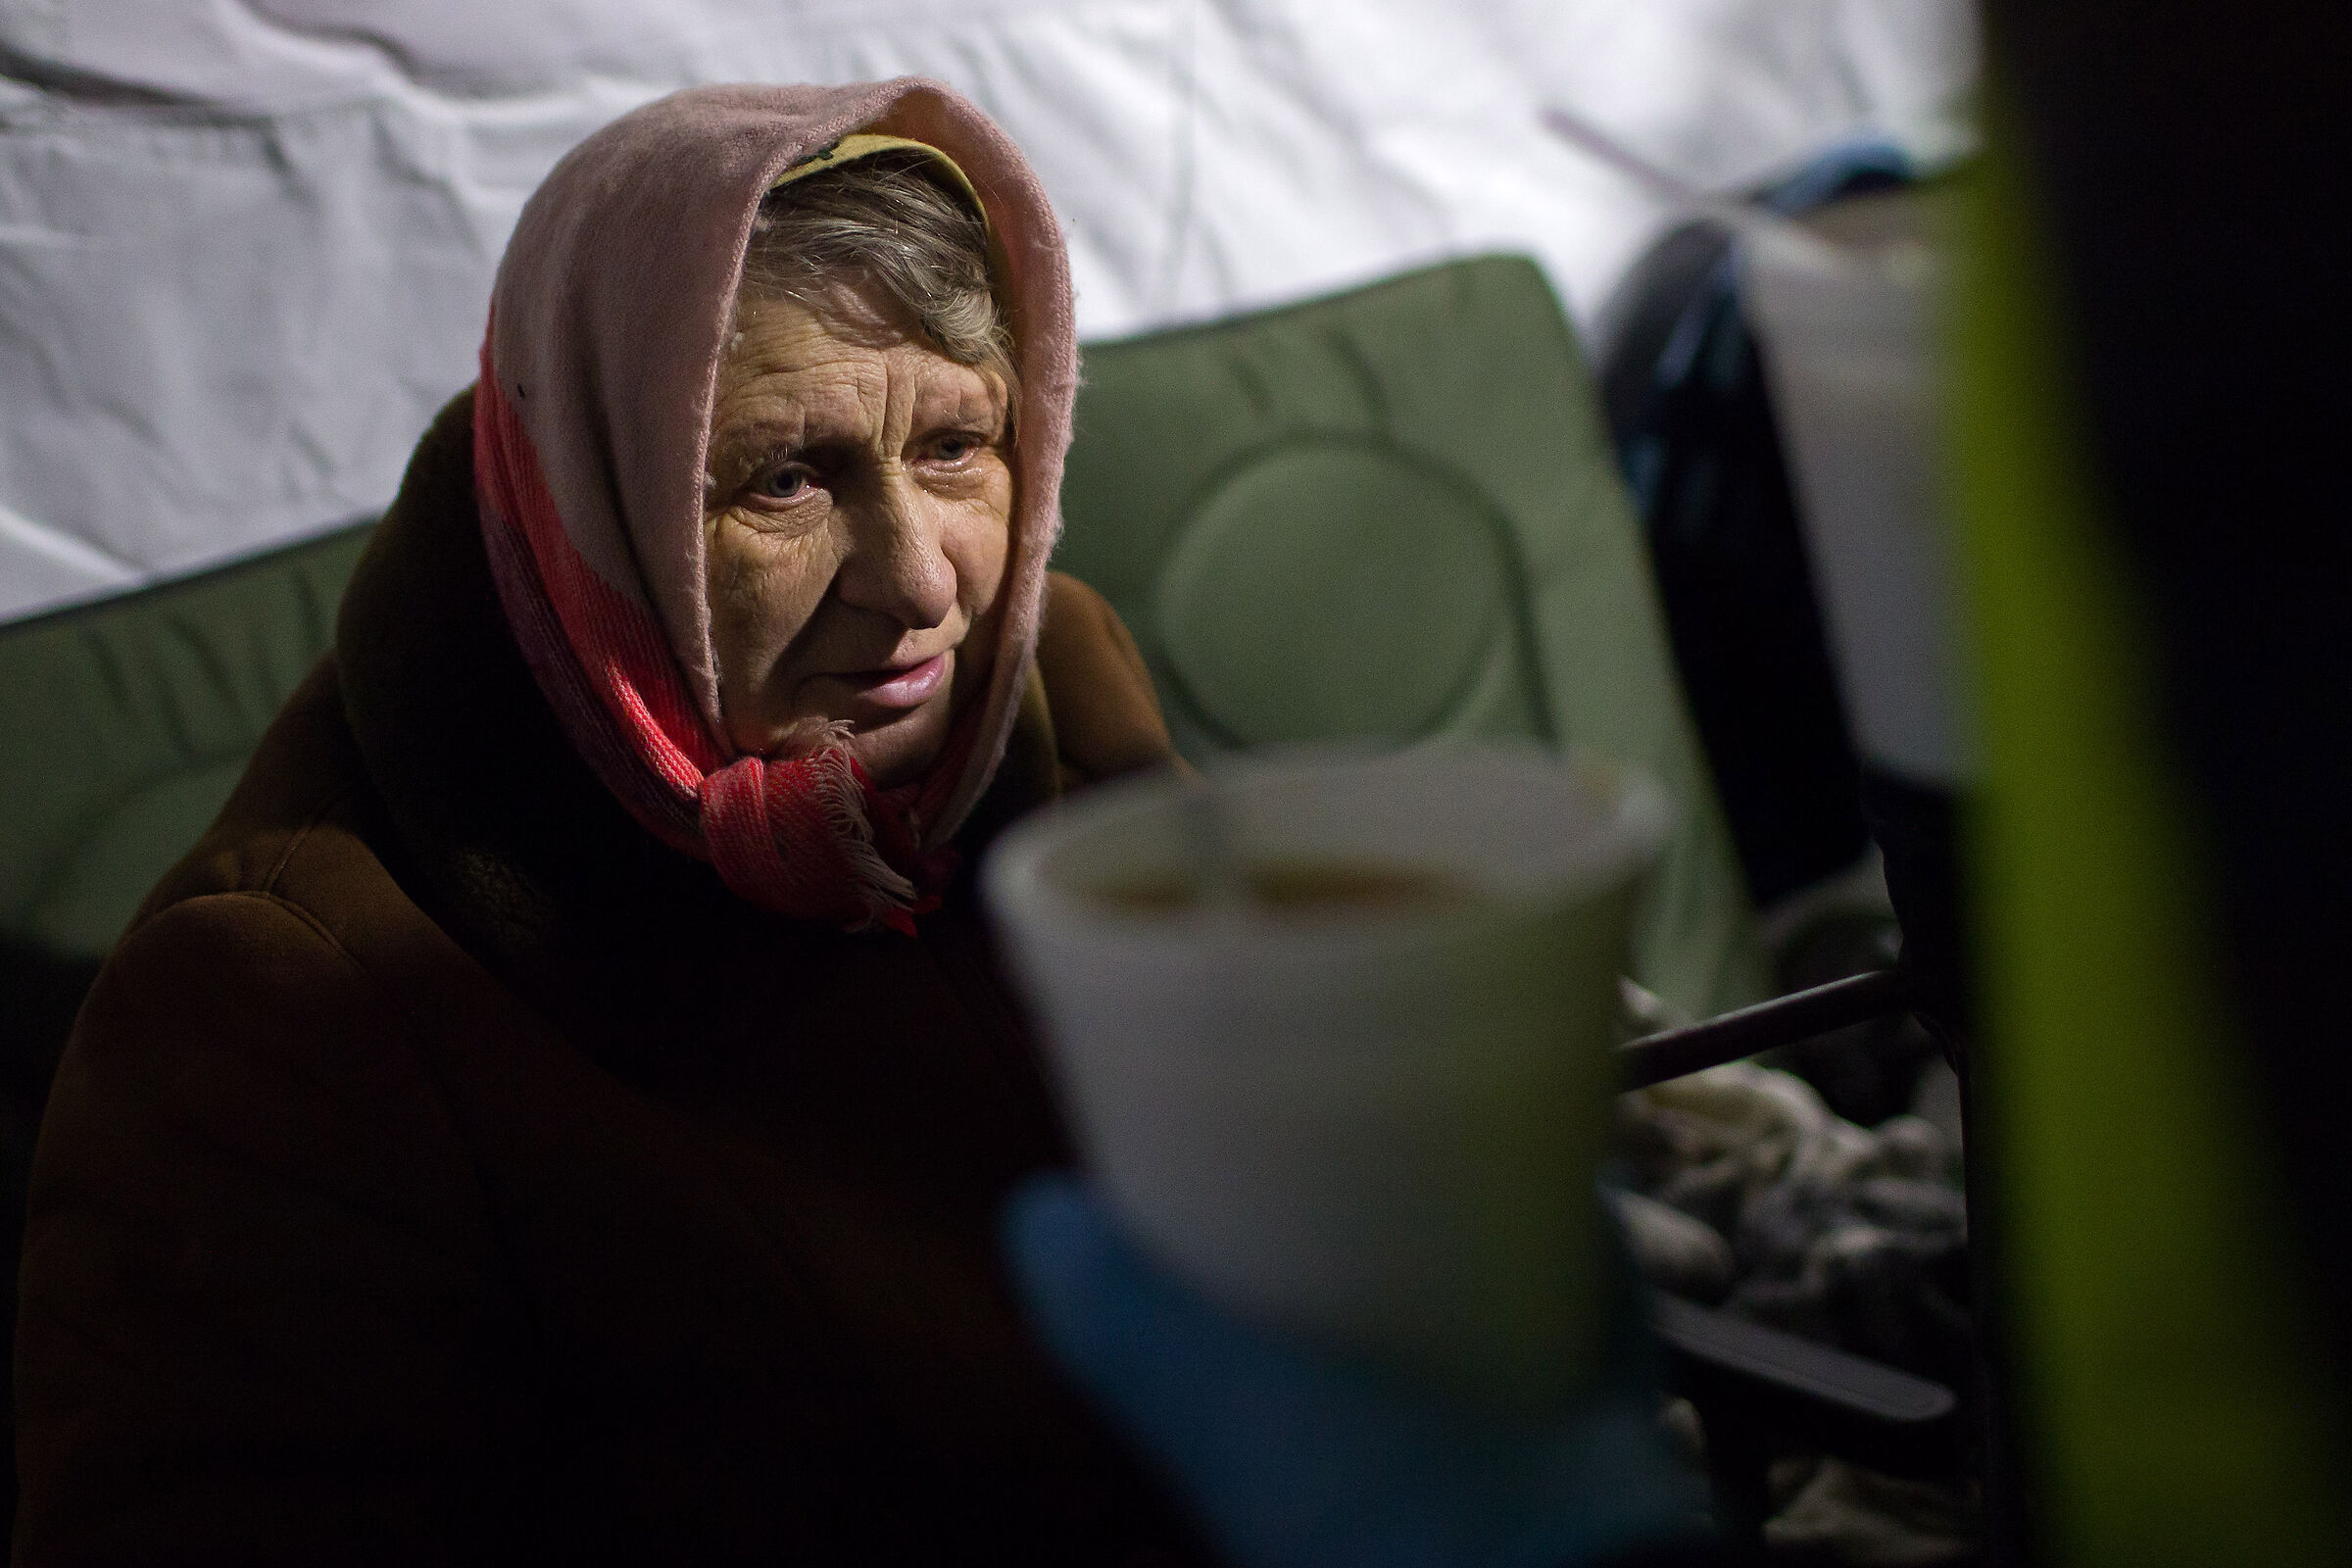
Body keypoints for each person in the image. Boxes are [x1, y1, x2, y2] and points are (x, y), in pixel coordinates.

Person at [13, 80, 1200, 1563]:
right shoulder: (283, 1015)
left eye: (957, 445)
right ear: (596, 487)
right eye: (784, 478)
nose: (921, 583)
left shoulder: (1053, 683)